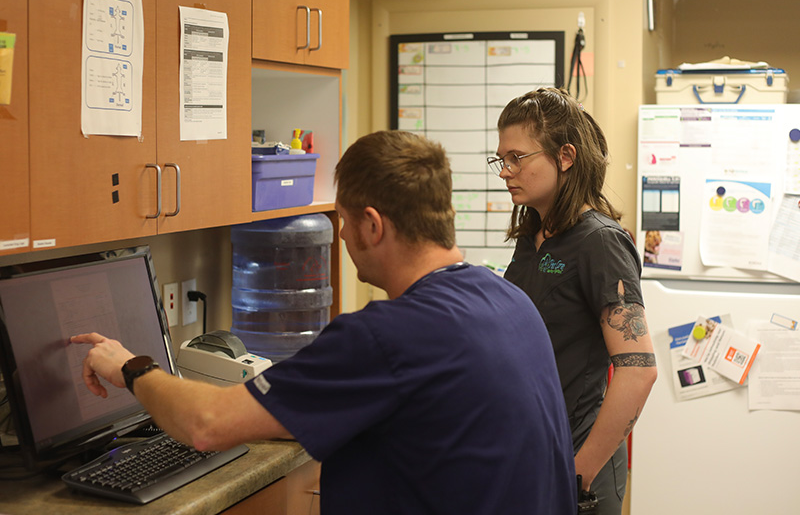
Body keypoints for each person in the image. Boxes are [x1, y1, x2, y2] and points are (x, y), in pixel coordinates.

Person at [72, 130, 577, 515]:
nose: (338, 235)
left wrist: (130, 367)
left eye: (342, 219)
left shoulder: (387, 335)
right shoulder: (510, 302)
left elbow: (205, 426)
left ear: (372, 225)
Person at [489, 88, 658, 515]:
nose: (506, 171)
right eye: (500, 160)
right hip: (531, 454)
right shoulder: (534, 234)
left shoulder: (599, 241)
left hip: (577, 466)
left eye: (517, 158)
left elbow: (639, 373)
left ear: (565, 157)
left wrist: (577, 477)